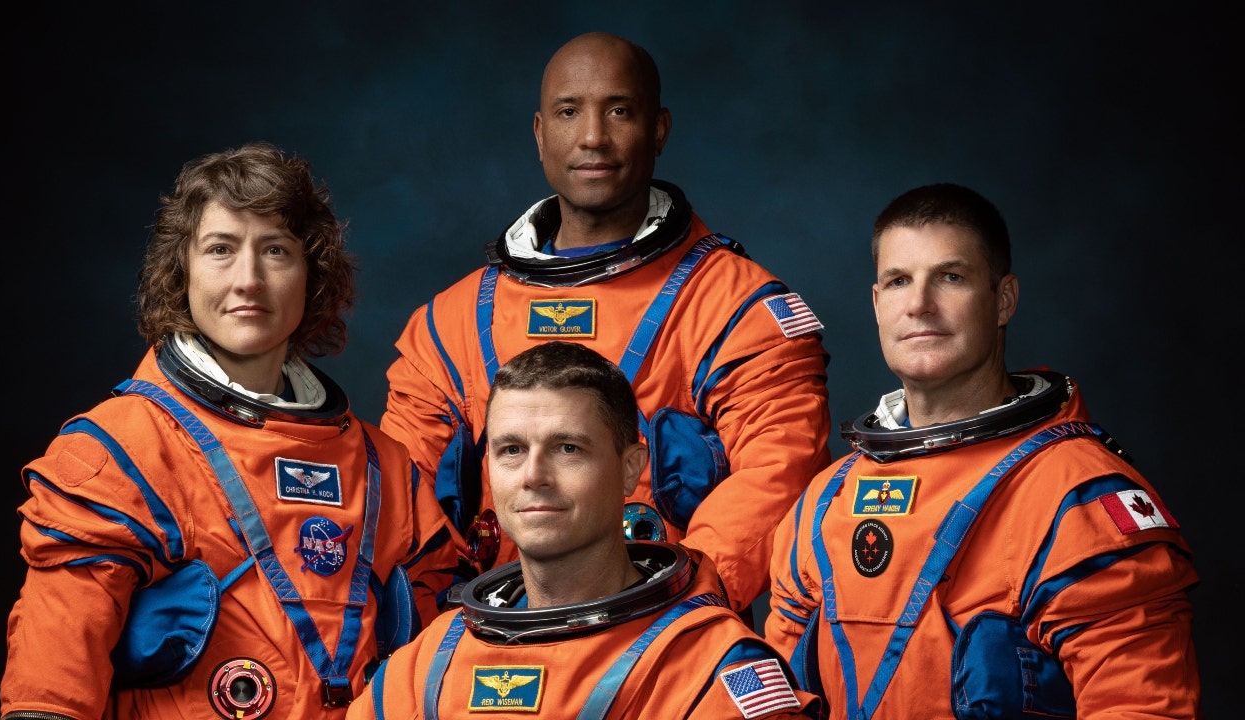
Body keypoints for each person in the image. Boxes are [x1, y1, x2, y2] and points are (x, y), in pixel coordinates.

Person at [0, 141, 463, 720]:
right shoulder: (119, 453)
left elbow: (439, 675)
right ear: (182, 272)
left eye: (276, 250)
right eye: (220, 249)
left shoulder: (385, 469)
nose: (249, 280)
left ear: (312, 276)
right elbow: (50, 693)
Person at [381, 31, 831, 616]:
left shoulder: (734, 306)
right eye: (569, 112)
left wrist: (669, 609)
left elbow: (780, 471)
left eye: (619, 111)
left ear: (658, 130)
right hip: (492, 639)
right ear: (541, 133)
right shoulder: (452, 323)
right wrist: (449, 633)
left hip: (662, 637)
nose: (592, 136)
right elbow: (402, 501)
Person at [766, 183, 1201, 718]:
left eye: (950, 277)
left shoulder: (1077, 499)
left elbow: (1141, 707)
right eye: (899, 281)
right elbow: (779, 700)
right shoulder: (823, 504)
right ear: (878, 304)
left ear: (1003, 299)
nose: (919, 305)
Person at [351, 341, 824, 719]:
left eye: (568, 449)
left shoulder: (709, 670)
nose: (534, 476)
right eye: (512, 450)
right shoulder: (426, 668)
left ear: (629, 468)